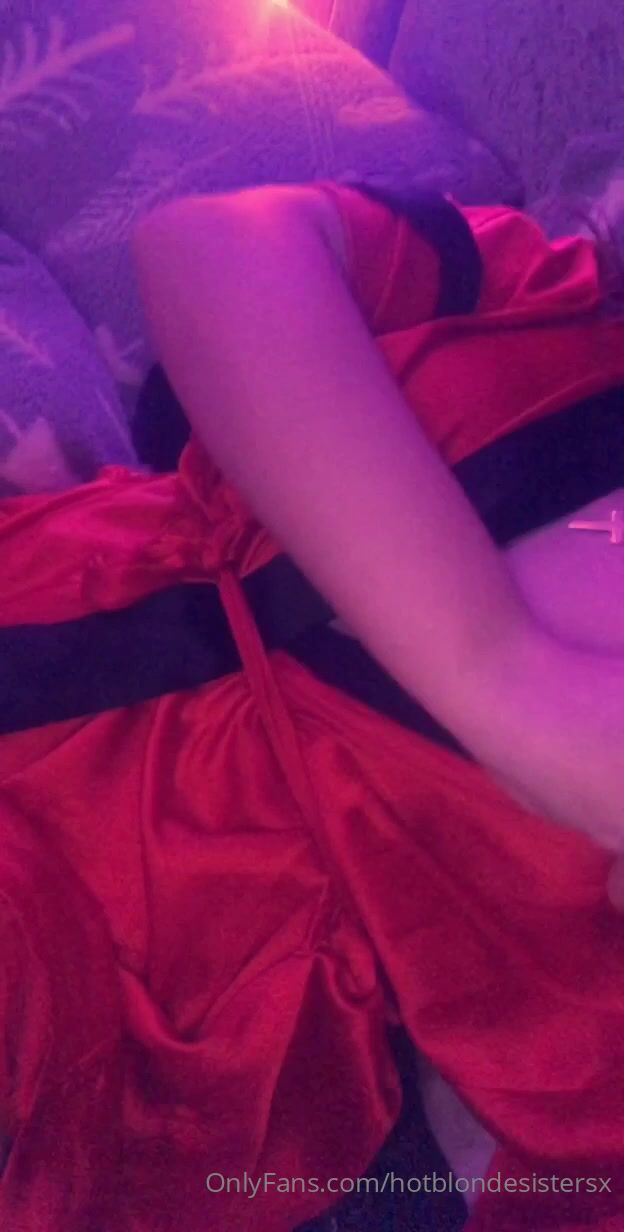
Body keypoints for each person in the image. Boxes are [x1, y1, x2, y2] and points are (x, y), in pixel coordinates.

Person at [1, 180, 624, 1232]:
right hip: (51, 587)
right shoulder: (559, 312)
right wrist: (505, 680)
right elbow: (213, 248)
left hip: (116, 985)